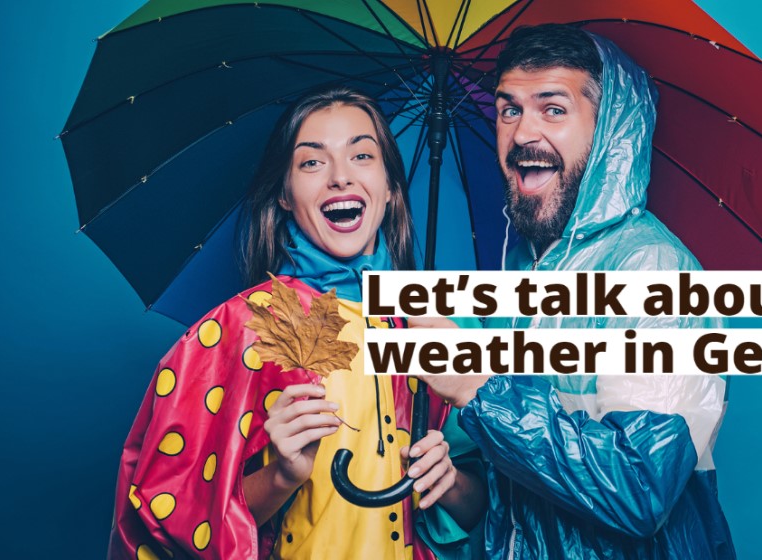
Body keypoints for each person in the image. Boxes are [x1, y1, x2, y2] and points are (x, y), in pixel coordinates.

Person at [109, 87, 484, 559]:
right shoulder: (241, 326)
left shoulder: (430, 328)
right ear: (285, 193)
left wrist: (448, 482)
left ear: (390, 188)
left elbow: (489, 509)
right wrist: (283, 474)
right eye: (312, 162)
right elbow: (166, 517)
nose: (340, 177)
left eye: (362, 155)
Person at [421, 24, 735, 559]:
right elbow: (520, 513)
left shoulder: (654, 273)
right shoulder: (525, 274)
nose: (522, 134)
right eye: (508, 109)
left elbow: (640, 489)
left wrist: (480, 391)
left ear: (610, 131)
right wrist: (451, 483)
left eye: (553, 109)